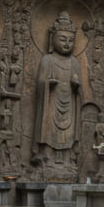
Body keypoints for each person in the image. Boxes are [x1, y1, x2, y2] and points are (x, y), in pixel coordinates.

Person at [36, 11, 83, 166]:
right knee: (50, 130)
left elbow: (80, 90)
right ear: (53, 39)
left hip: (69, 103)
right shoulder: (47, 60)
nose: (67, 43)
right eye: (62, 39)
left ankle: (66, 159)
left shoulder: (74, 63)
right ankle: (48, 158)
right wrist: (48, 83)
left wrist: (77, 88)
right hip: (51, 102)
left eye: (70, 40)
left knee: (68, 132)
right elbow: (40, 83)